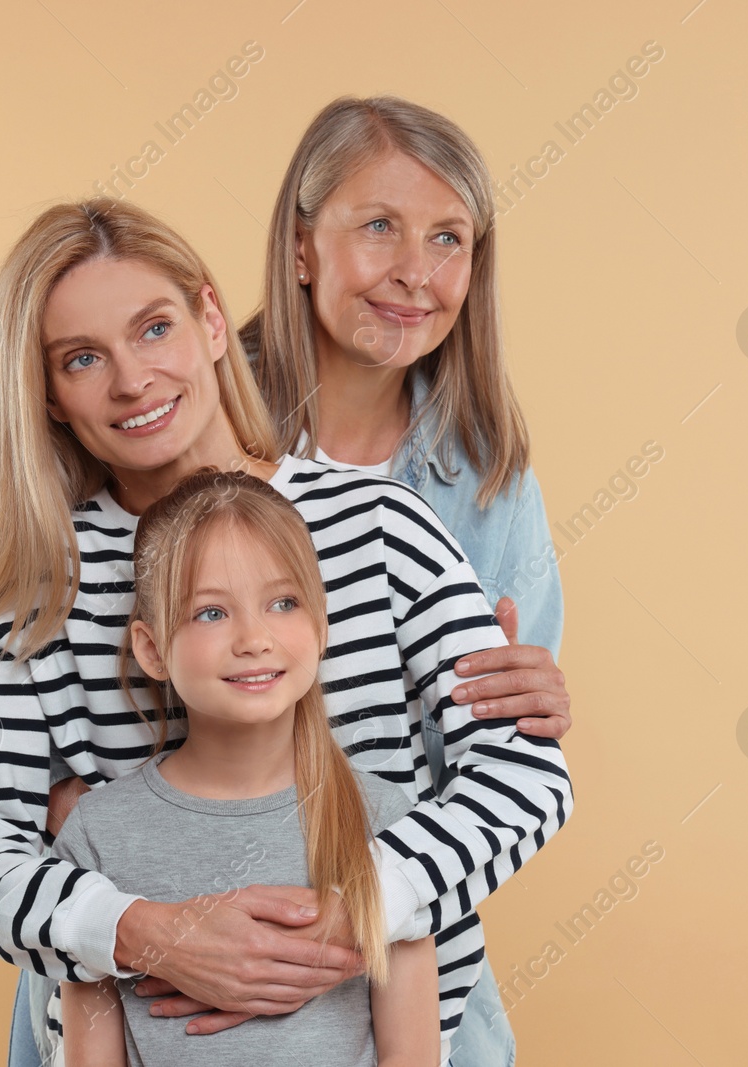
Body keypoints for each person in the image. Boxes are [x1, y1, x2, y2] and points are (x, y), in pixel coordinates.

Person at [0, 197, 573, 1067]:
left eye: (154, 329)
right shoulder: (29, 601)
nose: (133, 380)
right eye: (82, 358)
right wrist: (145, 932)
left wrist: (360, 907)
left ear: (212, 319)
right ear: (48, 395)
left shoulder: (380, 528)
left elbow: (523, 774)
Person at [240, 97, 568, 1063]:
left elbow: (501, 765)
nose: (415, 274)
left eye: (448, 239)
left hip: (407, 983)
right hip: (185, 969)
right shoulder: (186, 421)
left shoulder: (490, 482)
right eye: (378, 226)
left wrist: (534, 700)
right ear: (301, 247)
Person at [56, 467, 437, 1067]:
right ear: (152, 650)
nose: (254, 638)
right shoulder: (96, 834)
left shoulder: (389, 824)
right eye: (211, 613)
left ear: (320, 623)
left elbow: (411, 1058)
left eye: (283, 603)